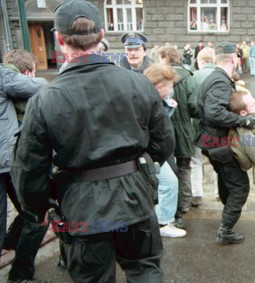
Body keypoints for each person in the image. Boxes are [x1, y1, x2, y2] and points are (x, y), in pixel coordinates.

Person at [10, 1, 174, 281]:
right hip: (133, 199)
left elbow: (28, 168)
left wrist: (38, 207)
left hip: (84, 207)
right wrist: (141, 171)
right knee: (145, 270)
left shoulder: (46, 98)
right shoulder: (138, 83)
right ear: (100, 36)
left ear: (60, 40)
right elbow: (163, 142)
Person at [196, 41, 255, 244]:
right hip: (219, 144)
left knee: (225, 178)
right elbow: (214, 112)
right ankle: (226, 230)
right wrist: (244, 120)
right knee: (240, 187)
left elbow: (201, 108)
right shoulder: (221, 81)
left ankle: (226, 216)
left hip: (210, 141)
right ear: (234, 59)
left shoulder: (214, 77)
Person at [0, 50, 47, 282]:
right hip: (9, 163)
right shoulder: (11, 81)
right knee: (38, 215)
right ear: (27, 73)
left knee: (31, 213)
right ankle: (19, 275)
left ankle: (10, 243)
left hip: (7, 162)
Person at [144, 63, 187, 238]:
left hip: (158, 154)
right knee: (169, 183)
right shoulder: (148, 103)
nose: (171, 90)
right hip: (151, 154)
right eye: (169, 87)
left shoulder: (154, 100)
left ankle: (159, 220)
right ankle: (163, 223)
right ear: (159, 86)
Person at [159, 46, 198, 223]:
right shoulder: (189, 78)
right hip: (184, 129)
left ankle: (169, 208)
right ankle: (184, 203)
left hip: (164, 128)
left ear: (165, 59)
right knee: (184, 167)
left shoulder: (159, 77)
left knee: (165, 168)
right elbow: (195, 107)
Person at [191, 47, 216, 207]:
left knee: (196, 160)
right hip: (216, 126)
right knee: (218, 160)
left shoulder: (194, 76)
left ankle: (197, 194)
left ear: (201, 61)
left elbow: (191, 101)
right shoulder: (222, 75)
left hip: (197, 125)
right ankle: (219, 192)